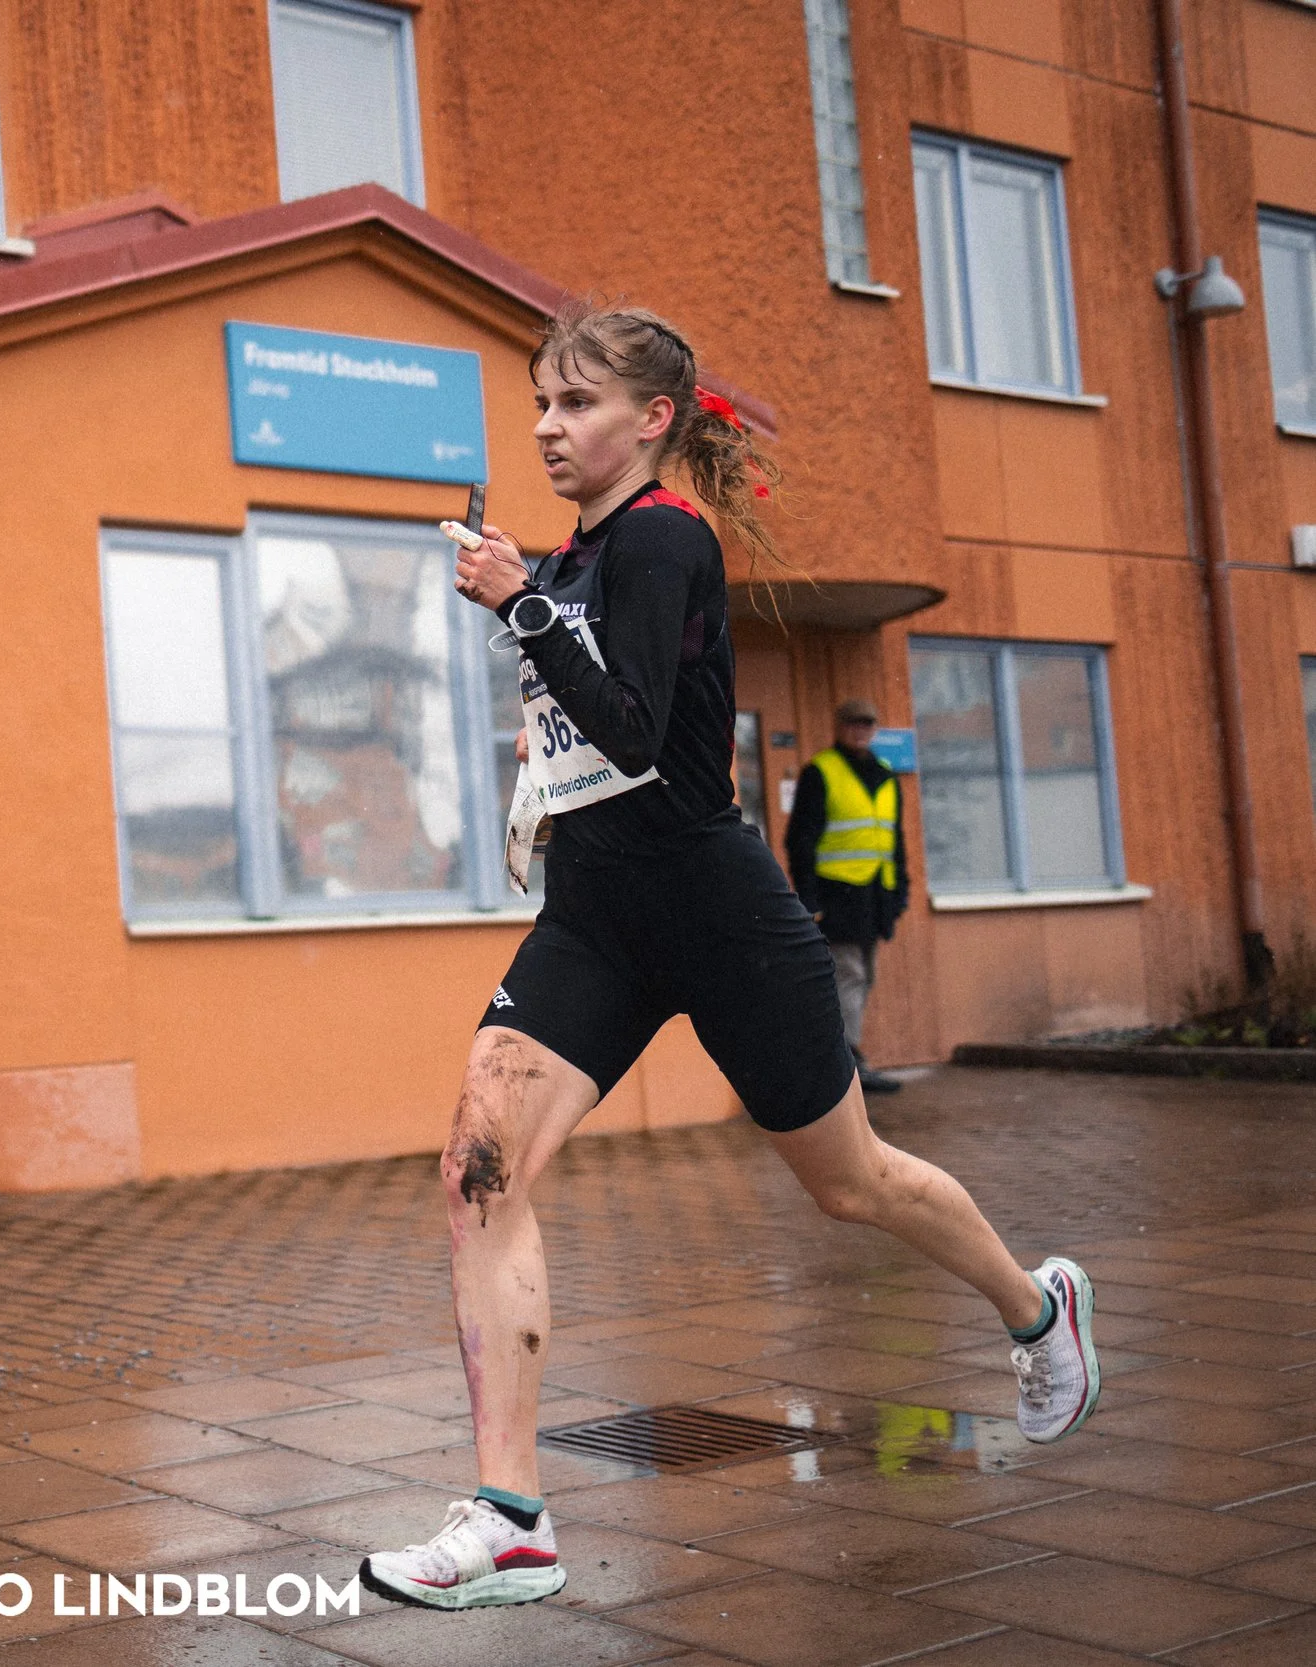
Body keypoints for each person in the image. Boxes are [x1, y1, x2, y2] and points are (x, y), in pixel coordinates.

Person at [359, 303, 1098, 1612]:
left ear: (650, 420)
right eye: (539, 402)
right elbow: (589, 743)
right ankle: (512, 1513)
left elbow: (640, 735)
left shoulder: (658, 538)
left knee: (853, 1181)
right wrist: (535, 634)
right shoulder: (582, 556)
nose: (547, 424)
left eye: (577, 403)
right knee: (476, 1169)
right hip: (595, 918)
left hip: (717, 911)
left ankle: (1037, 1309)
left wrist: (518, 601)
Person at [786, 698, 910, 1094]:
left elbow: (895, 840)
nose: (860, 730)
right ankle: (847, 1062)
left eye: (867, 724)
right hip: (836, 897)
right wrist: (810, 899)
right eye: (853, 724)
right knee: (849, 976)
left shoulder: (886, 776)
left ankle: (842, 1060)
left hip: (874, 897)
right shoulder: (821, 772)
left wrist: (899, 892)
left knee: (863, 976)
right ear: (839, 727)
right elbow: (801, 841)